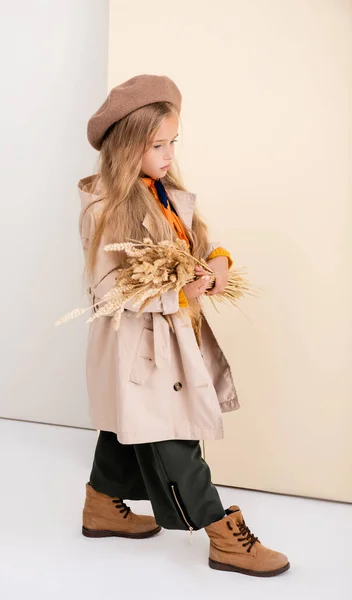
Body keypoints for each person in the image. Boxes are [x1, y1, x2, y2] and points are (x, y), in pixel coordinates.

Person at [77, 74, 290, 577]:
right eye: (158, 144)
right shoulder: (104, 205)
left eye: (174, 142)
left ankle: (103, 505)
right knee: (171, 435)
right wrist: (175, 293)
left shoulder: (166, 193)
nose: (169, 153)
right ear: (130, 145)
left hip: (176, 335)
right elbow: (108, 290)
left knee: (130, 425)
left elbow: (203, 243)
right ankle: (222, 534)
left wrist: (216, 265)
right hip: (140, 346)